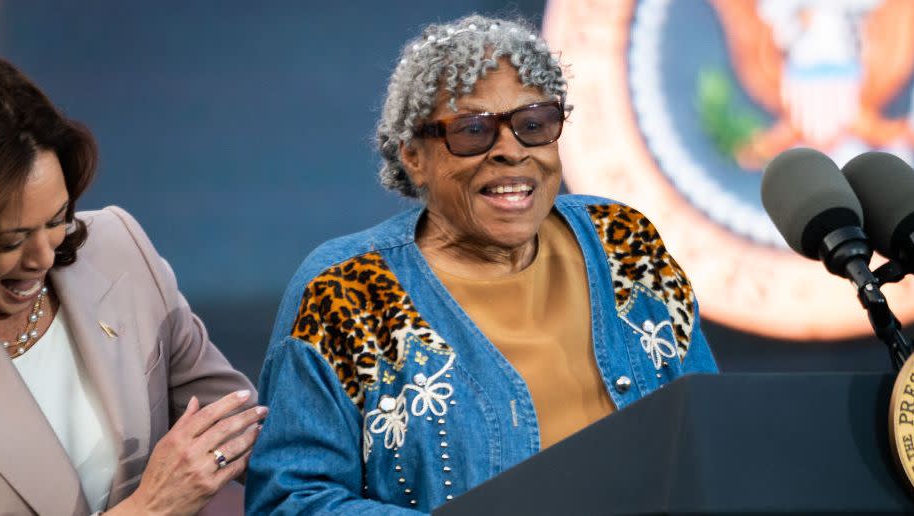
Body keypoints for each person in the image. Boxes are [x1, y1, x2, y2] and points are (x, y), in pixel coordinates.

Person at [246, 14, 718, 514]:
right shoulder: (344, 291)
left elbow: (713, 437)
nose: (512, 152)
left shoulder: (626, 243)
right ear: (413, 157)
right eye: (473, 132)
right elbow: (291, 500)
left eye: (533, 124)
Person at [0, 53, 265, 515]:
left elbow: (242, 430)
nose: (44, 257)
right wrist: (150, 508)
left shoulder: (119, 247)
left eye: (57, 219)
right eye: (11, 240)